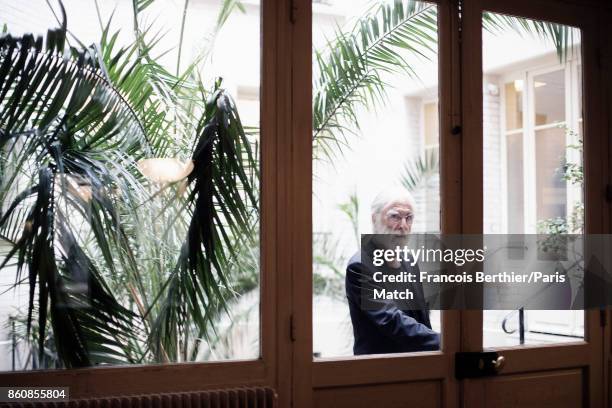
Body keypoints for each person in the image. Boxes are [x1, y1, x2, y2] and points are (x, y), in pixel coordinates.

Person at [346, 187, 440, 355]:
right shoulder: (360, 266)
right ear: (374, 219)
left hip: (418, 367)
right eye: (395, 216)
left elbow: (422, 318)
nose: (403, 226)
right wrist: (442, 341)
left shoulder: (409, 260)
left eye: (409, 218)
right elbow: (391, 321)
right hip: (381, 371)